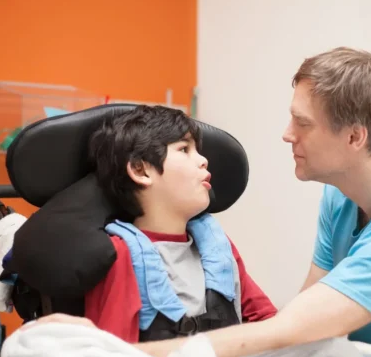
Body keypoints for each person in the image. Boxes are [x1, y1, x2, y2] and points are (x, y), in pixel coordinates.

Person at [29, 48, 371, 357]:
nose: (286, 135)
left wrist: (106, 355)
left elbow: (290, 330)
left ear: (354, 138)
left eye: (302, 123)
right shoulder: (341, 199)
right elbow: (300, 318)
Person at [82, 105, 278, 343]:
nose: (204, 160)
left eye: (198, 150)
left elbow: (270, 325)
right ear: (140, 169)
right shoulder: (121, 256)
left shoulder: (218, 248)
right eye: (184, 149)